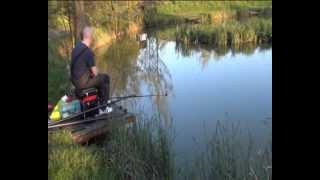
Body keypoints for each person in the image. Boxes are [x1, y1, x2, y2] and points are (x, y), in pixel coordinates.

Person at [70, 26, 112, 113]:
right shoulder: (88, 51)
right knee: (104, 78)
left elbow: (79, 67)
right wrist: (93, 75)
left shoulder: (76, 48)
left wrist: (90, 74)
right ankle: (104, 107)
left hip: (75, 81)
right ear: (89, 37)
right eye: (92, 35)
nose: (93, 37)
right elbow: (95, 73)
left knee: (96, 79)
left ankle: (100, 99)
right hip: (82, 83)